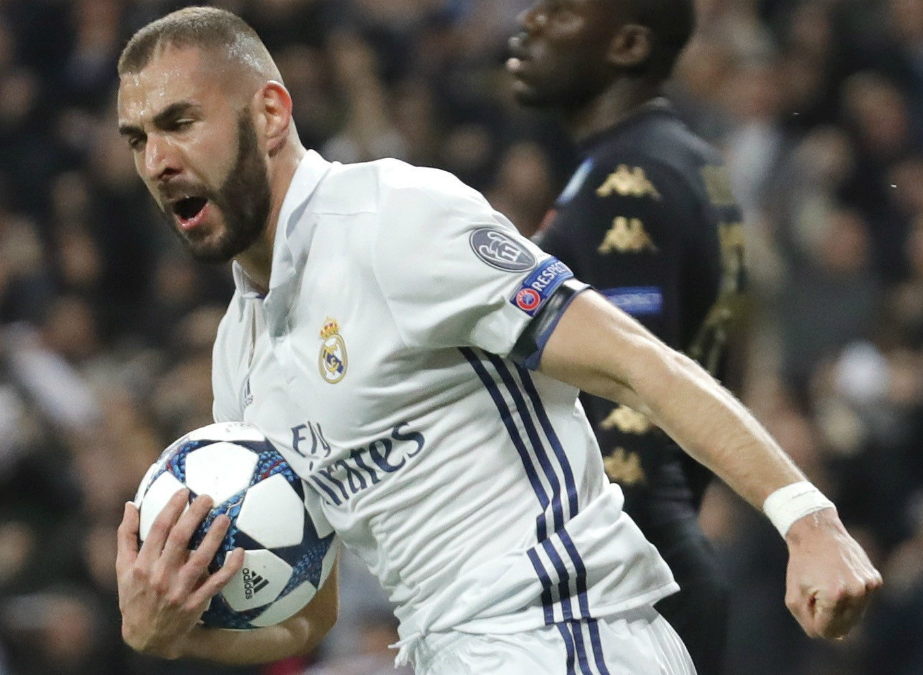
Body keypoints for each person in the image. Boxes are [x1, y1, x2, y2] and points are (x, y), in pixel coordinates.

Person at [111, 8, 880, 675]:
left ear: (271, 113)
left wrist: (808, 519)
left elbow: (636, 363)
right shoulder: (237, 358)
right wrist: (179, 635)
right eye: (138, 138)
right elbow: (314, 609)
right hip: (445, 650)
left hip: (566, 634)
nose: (156, 159)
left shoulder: (394, 222)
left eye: (180, 122)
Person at [507, 2, 745, 672]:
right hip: (661, 556)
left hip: (628, 582)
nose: (530, 22)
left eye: (562, 12)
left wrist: (571, 578)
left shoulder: (626, 181)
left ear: (629, 45)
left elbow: (636, 392)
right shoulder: (685, 157)